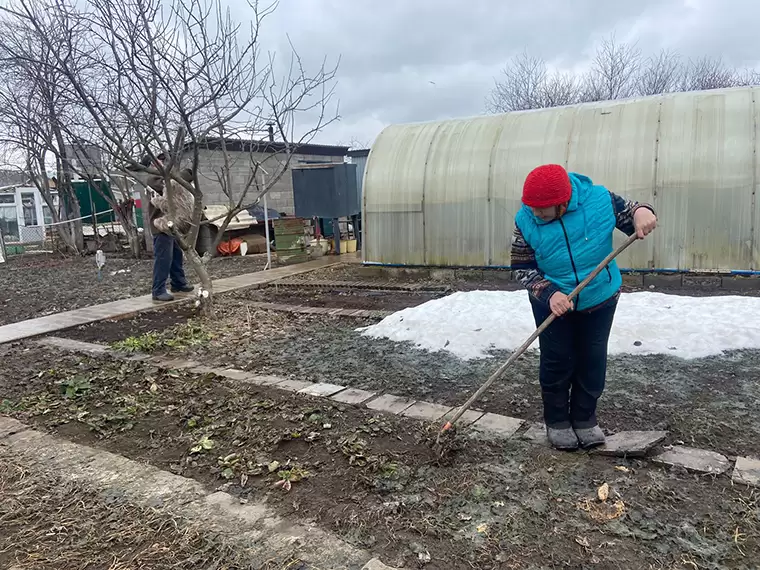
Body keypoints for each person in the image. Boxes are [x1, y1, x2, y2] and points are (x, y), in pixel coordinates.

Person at [510, 164, 657, 451]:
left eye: (543, 209)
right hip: (552, 301)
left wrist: (643, 212)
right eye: (532, 207)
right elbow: (522, 266)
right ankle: (556, 421)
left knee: (592, 358)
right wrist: (549, 293)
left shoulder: (600, 200)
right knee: (556, 359)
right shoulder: (525, 219)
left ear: (563, 203)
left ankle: (585, 418)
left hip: (599, 296)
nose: (536, 213)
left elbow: (633, 214)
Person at [147, 164, 196, 302]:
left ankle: (178, 283)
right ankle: (158, 290)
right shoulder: (153, 179)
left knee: (176, 255)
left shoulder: (166, 176)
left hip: (172, 224)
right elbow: (170, 185)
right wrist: (182, 176)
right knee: (163, 258)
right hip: (160, 225)